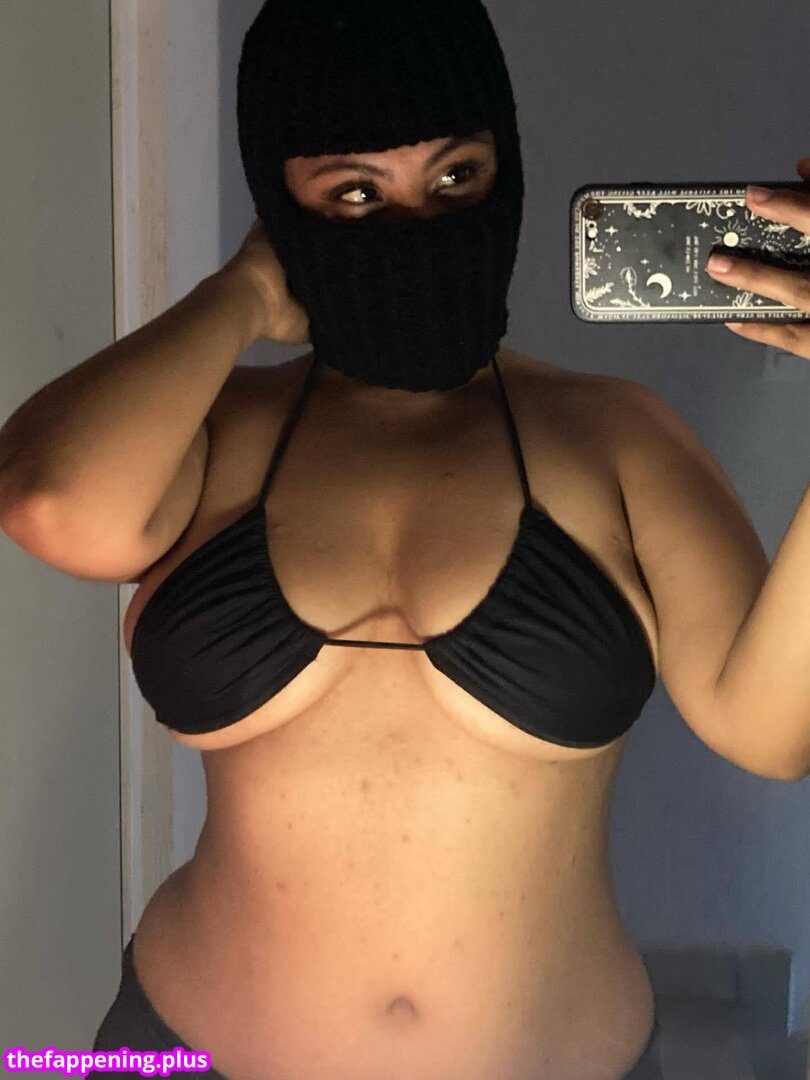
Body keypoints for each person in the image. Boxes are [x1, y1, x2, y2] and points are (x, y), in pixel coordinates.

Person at [1, 1, 808, 1078]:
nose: (416, 224)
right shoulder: (219, 432)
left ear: (506, 165)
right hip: (177, 1053)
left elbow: (771, 732)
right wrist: (242, 293)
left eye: (456, 176)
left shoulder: (613, 437)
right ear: (280, 207)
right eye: (353, 192)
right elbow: (49, 501)